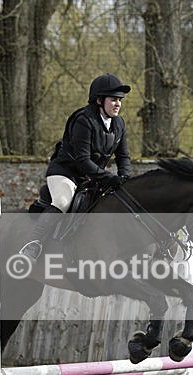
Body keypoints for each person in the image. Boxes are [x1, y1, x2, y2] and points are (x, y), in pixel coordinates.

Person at [18, 73, 133, 262]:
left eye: (120, 100)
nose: (118, 104)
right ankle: (32, 244)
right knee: (63, 201)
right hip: (65, 172)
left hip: (93, 176)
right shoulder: (84, 120)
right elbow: (82, 160)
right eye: (113, 99)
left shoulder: (119, 124)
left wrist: (124, 178)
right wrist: (110, 178)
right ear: (99, 100)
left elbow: (123, 156)